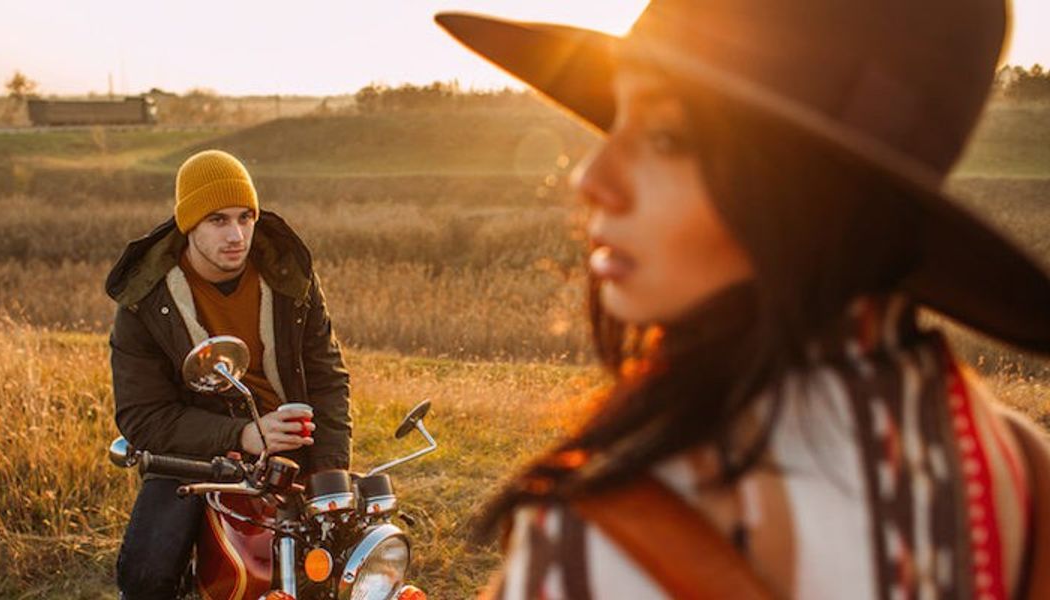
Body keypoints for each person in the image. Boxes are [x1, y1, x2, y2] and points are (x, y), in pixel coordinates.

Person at [437, 0, 1050, 597]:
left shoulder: (597, 548)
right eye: (615, 118)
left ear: (805, 186)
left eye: (667, 137)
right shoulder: (1023, 473)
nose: (591, 178)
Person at [104, 149, 351, 598]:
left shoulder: (290, 277)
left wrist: (331, 467)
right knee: (147, 575)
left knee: (351, 561)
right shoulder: (145, 301)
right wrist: (242, 435)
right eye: (217, 220)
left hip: (292, 444)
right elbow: (143, 418)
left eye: (245, 217)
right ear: (189, 225)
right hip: (193, 455)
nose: (236, 235)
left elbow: (328, 377)